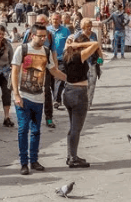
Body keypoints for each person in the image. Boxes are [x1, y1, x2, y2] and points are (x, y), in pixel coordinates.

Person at [12, 23, 66, 175]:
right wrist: (16, 94)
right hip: (23, 96)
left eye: (45, 37)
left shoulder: (46, 52)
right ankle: (24, 163)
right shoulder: (22, 50)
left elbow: (53, 70)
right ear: (32, 35)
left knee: (36, 131)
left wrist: (69, 79)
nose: (43, 39)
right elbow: (15, 72)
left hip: (39, 97)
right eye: (40, 36)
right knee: (23, 129)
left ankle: (34, 160)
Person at [60, 33, 100, 168]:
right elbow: (95, 44)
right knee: (76, 129)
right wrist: (80, 45)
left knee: (72, 127)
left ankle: (70, 155)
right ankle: (73, 158)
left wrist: (74, 44)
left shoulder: (67, 54)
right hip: (79, 93)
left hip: (68, 91)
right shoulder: (80, 55)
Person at [23, 13, 56, 127]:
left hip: (45, 68)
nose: (40, 24)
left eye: (42, 23)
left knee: (46, 92)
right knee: (29, 92)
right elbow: (23, 49)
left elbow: (53, 52)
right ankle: (30, 117)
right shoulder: (29, 33)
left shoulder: (50, 35)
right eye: (38, 23)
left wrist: (54, 68)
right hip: (31, 67)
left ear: (47, 23)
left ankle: (49, 117)